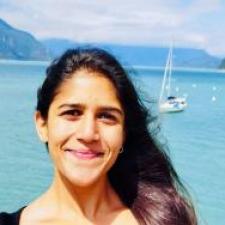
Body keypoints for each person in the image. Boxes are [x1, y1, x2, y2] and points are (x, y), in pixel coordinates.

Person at [0, 47, 197, 225]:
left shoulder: (164, 219)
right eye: (72, 113)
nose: (88, 134)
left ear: (123, 133)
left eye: (106, 116)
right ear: (42, 125)